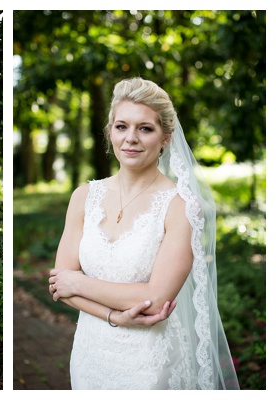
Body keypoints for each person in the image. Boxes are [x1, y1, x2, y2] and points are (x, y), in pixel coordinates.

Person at [48, 77, 239, 389]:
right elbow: (61, 287)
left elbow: (154, 298)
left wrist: (78, 282)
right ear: (110, 131)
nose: (131, 138)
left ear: (165, 137)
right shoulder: (84, 196)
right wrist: (114, 316)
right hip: (89, 354)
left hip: (151, 363)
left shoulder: (181, 206)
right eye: (121, 126)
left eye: (145, 128)